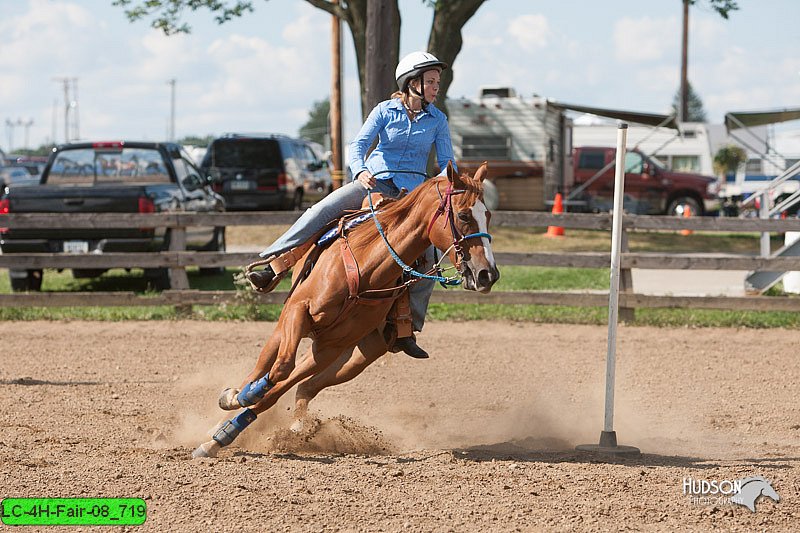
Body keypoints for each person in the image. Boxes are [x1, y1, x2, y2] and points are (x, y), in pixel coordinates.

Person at [247, 51, 456, 359]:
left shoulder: (438, 120)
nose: (437, 87)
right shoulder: (385, 111)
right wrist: (360, 170)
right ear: (412, 83)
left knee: (431, 255)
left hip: (412, 199)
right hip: (373, 183)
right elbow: (358, 145)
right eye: (431, 81)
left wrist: (440, 185)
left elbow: (446, 162)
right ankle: (274, 265)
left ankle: (406, 328)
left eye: (438, 82)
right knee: (319, 211)